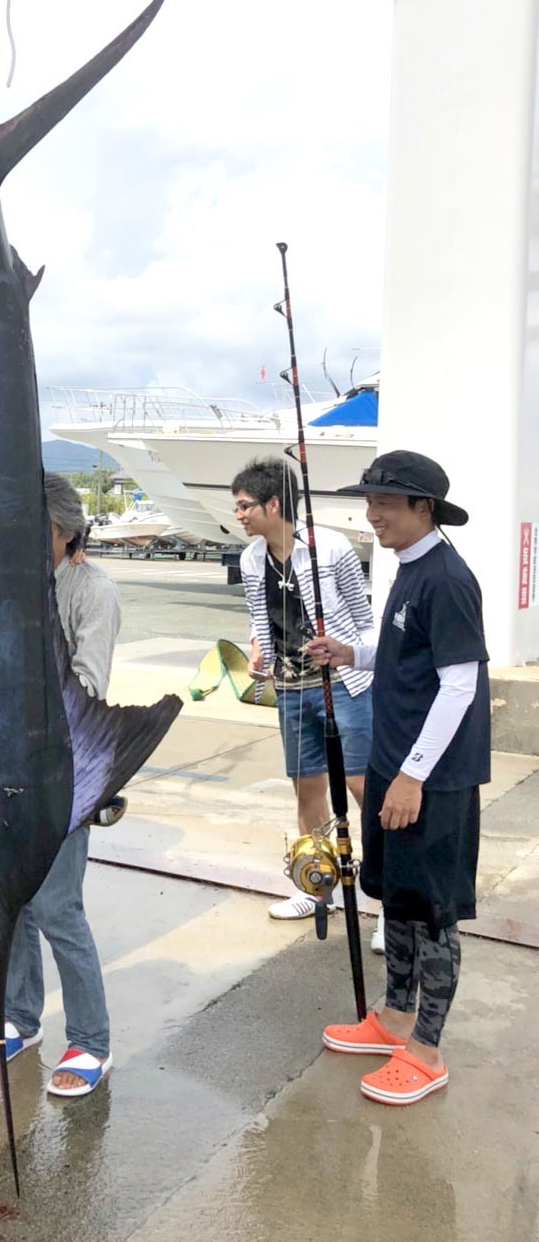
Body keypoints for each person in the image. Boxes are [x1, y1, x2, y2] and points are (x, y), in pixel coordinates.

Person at [309, 451, 489, 1107]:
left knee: (434, 912)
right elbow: (404, 655)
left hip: (431, 780)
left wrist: (413, 775)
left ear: (424, 508)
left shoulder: (447, 578)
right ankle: (394, 1016)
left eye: (387, 502)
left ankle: (427, 1048)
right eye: (369, 499)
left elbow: (459, 683)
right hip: (394, 766)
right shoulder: (407, 569)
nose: (372, 513)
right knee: (399, 899)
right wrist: (351, 652)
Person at [0, 472, 119, 1097]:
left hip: (61, 774)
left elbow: (88, 682)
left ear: (61, 532)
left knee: (59, 907)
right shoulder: (12, 585)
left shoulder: (93, 592)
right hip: (6, 772)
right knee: (17, 904)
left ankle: (92, 1040)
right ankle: (24, 1019)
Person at [231, 457, 377, 929]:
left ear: (274, 504)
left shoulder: (330, 548)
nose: (239, 515)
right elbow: (260, 616)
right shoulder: (252, 558)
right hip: (291, 689)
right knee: (306, 788)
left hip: (343, 685)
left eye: (245, 505)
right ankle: (315, 887)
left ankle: (389, 902)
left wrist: (349, 653)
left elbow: (362, 616)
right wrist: (259, 654)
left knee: (362, 786)